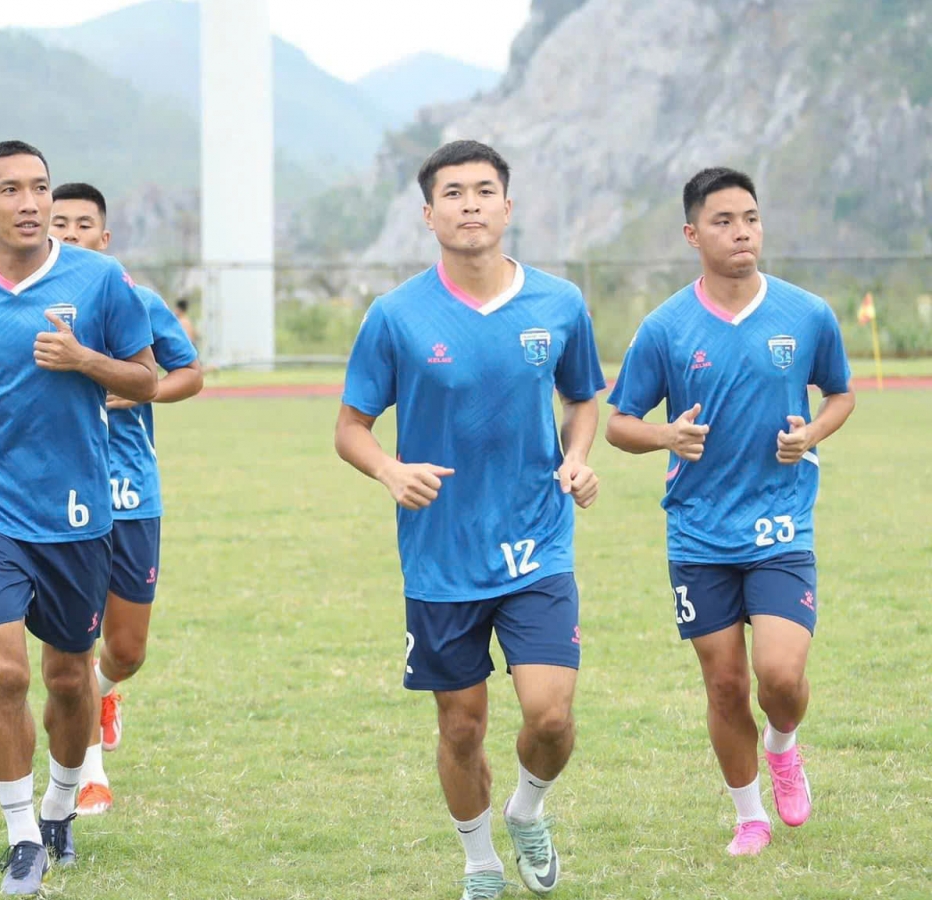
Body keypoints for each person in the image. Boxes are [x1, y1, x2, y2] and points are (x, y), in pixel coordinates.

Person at [333, 140, 605, 900]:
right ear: (429, 214)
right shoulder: (396, 316)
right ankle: (480, 862)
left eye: (485, 190)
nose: (471, 204)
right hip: (442, 555)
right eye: (453, 193)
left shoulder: (559, 303)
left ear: (508, 207)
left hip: (537, 543)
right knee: (461, 728)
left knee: (550, 718)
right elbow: (350, 427)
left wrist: (577, 457)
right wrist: (391, 470)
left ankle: (527, 810)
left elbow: (583, 397)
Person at [0, 141, 157, 895]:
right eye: (12, 189)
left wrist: (87, 359)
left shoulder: (99, 280)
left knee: (64, 677)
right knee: (5, 670)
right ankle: (22, 835)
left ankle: (60, 803)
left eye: (40, 188)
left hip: (79, 512)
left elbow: (147, 378)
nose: (28, 202)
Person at [605, 167, 855, 857]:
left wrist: (812, 434)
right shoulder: (666, 327)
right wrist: (665, 435)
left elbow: (839, 394)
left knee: (779, 677)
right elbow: (618, 422)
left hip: (779, 524)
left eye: (750, 217)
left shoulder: (806, 314)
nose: (741, 230)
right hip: (698, 530)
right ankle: (750, 816)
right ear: (692, 234)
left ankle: (784, 745)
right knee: (723, 683)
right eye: (723, 220)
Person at [47, 181, 204, 816]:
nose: (72, 233)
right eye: (61, 223)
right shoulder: (33, 309)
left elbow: (189, 373)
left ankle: (106, 692)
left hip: (133, 495)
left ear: (104, 239)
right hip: (61, 498)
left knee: (127, 651)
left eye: (85, 225)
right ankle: (89, 771)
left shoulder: (136, 300)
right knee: (73, 645)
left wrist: (146, 392)